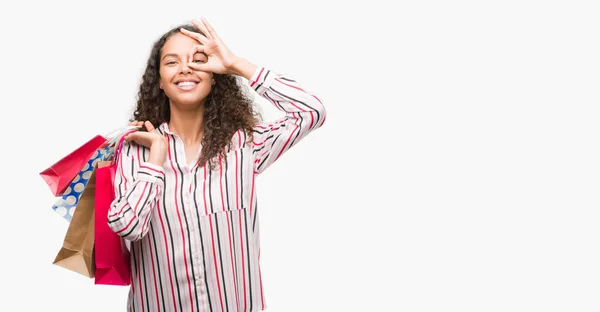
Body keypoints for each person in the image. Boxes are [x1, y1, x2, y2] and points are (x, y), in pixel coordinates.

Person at [107, 17, 326, 312]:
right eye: (172, 62)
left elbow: (311, 112)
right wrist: (155, 162)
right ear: (159, 80)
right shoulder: (137, 150)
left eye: (198, 60)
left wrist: (235, 63)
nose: (185, 68)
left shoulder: (244, 146)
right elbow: (127, 227)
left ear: (213, 76)